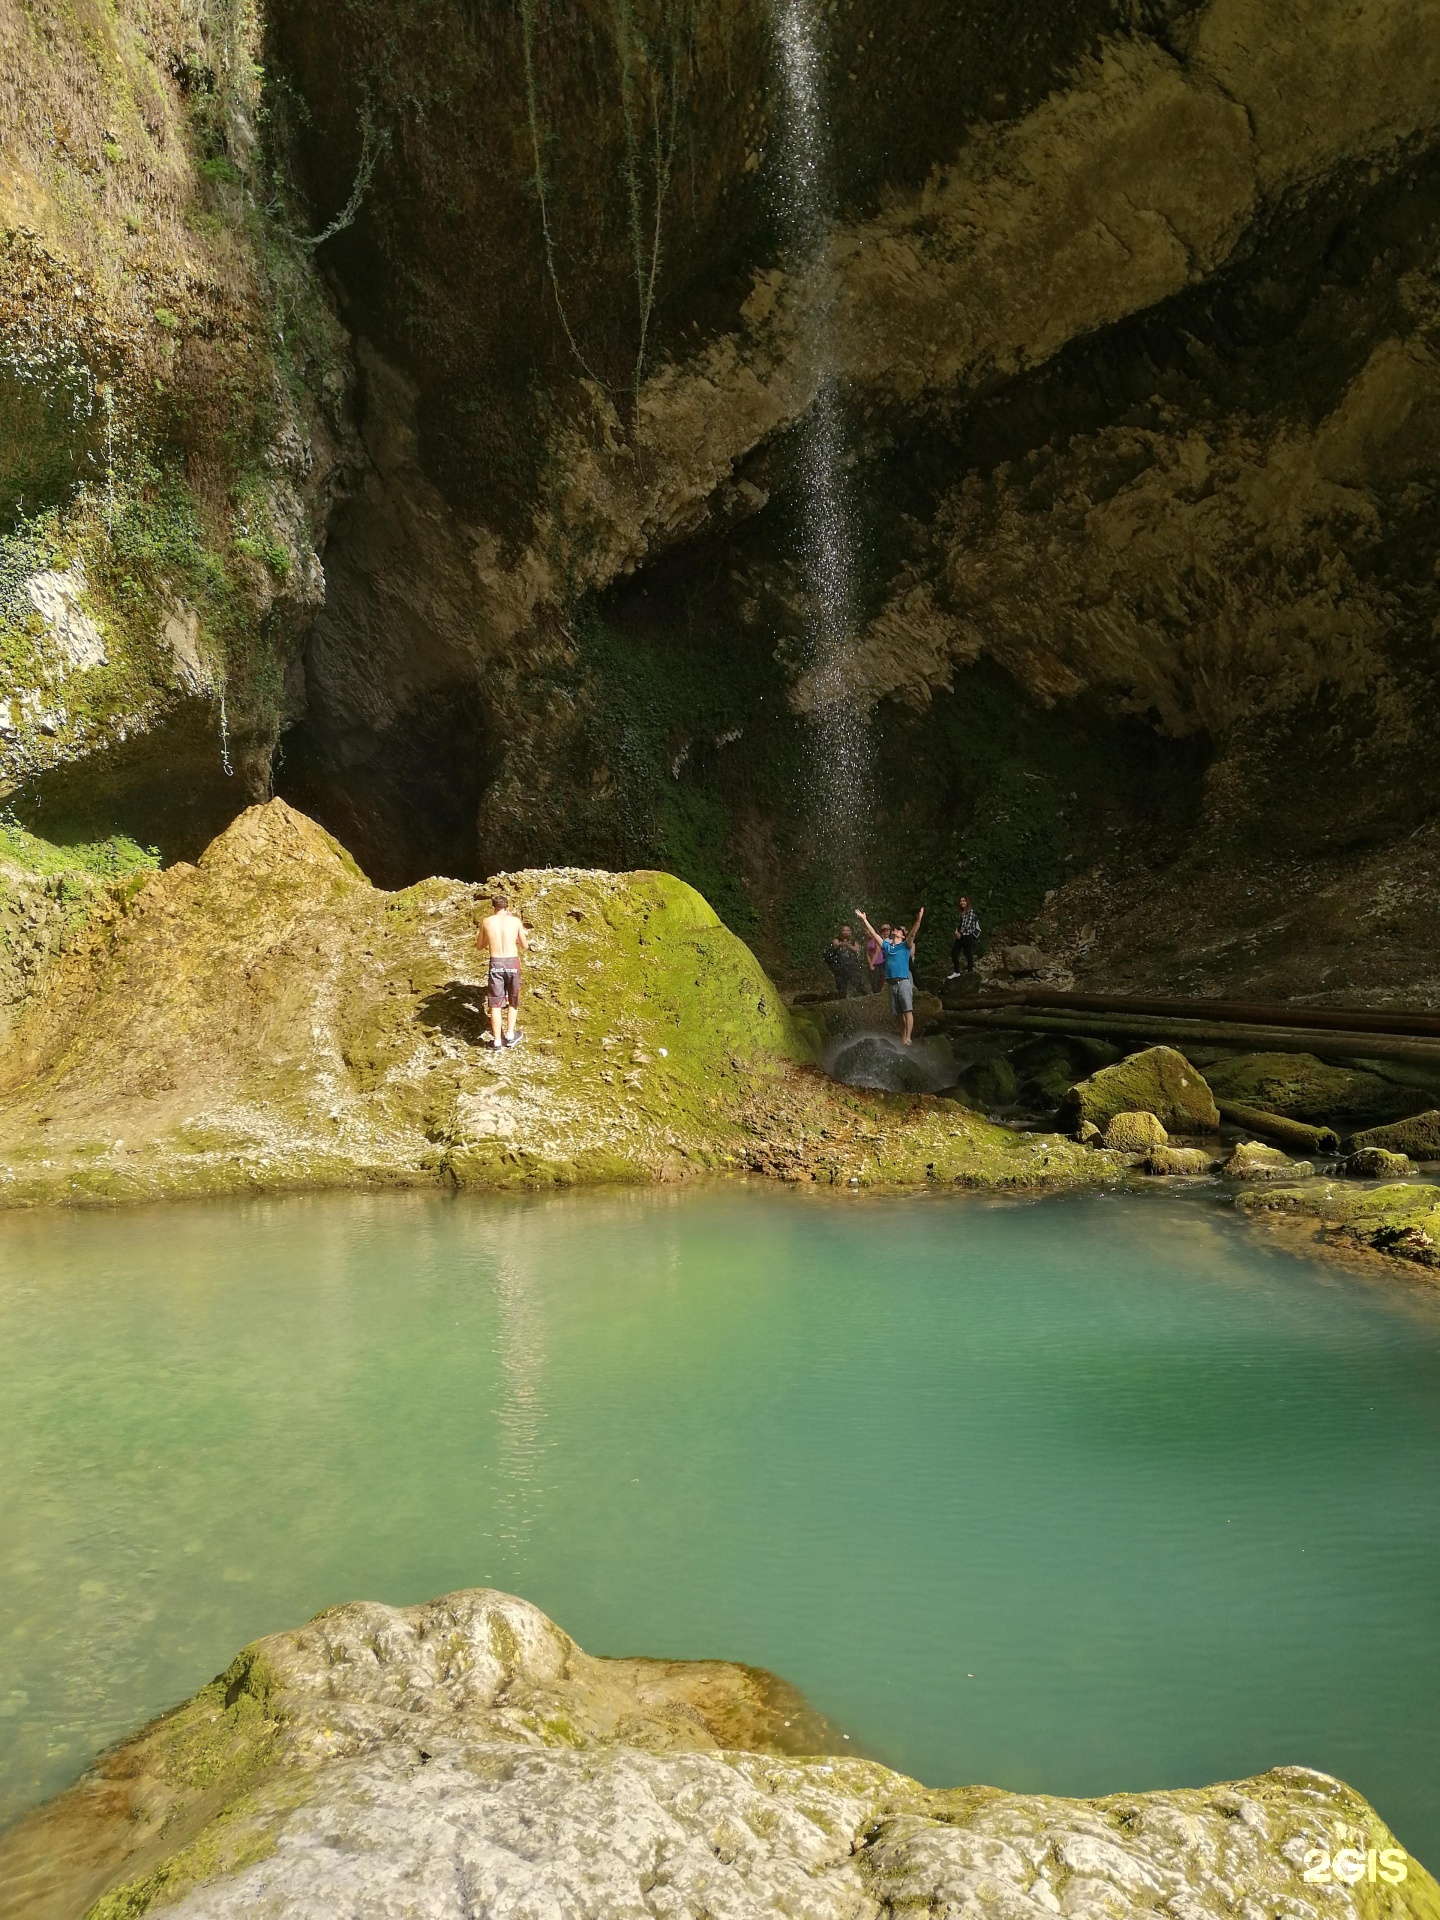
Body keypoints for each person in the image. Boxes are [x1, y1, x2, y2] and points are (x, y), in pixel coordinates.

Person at [855, 905, 925, 1045]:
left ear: (902, 935)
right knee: (898, 1014)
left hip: (903, 982)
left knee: (907, 1011)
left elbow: (912, 934)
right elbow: (874, 934)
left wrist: (918, 920)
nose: (895, 930)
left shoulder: (905, 945)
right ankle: (903, 1035)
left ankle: (908, 1037)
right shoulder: (887, 946)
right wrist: (864, 919)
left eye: (897, 930)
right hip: (891, 984)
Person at [477, 891, 528, 1049]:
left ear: (494, 908)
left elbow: (479, 946)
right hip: (513, 962)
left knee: (495, 1004)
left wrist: (490, 938)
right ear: (507, 908)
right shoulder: (515, 921)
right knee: (513, 1000)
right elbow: (525, 945)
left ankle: (497, 1042)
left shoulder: (487, 922)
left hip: (496, 963)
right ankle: (511, 1035)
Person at [822, 924, 867, 999]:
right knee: (841, 984)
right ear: (841, 932)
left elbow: (857, 950)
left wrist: (850, 946)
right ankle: (842, 999)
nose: (846, 932)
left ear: (850, 932)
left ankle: (865, 995)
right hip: (840, 966)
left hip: (852, 966)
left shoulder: (853, 941)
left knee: (856, 982)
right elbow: (835, 945)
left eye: (848, 930)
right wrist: (842, 944)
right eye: (844, 930)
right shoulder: (837, 940)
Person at [949, 896, 981, 978]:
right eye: (961, 901)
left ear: (967, 902)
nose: (962, 902)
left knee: (968, 952)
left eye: (964, 901)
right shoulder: (961, 913)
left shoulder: (970, 911)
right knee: (954, 952)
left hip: (968, 935)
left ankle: (970, 971)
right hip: (960, 936)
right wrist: (956, 931)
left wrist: (960, 932)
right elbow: (959, 924)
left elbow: (968, 924)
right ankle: (956, 971)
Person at [865, 922, 889, 994]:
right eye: (865, 931)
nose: (866, 933)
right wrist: (869, 963)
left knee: (877, 980)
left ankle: (878, 993)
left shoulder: (876, 939)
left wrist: (872, 964)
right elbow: (867, 952)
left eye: (867, 931)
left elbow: (877, 952)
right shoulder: (868, 940)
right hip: (871, 962)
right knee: (873, 980)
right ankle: (875, 993)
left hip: (879, 962)